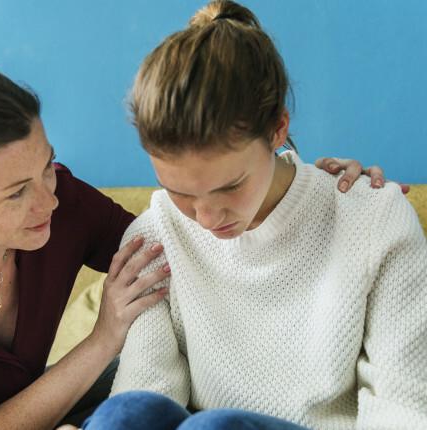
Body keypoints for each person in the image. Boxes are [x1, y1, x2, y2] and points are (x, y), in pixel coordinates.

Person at [0, 58, 394, 430]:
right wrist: (103, 338)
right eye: (17, 192)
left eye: (48, 166)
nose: (48, 199)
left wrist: (305, 191)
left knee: (139, 408)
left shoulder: (63, 201)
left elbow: (187, 242)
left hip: (20, 399)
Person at [79, 1, 427, 429]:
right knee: (125, 414)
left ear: (277, 129)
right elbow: (145, 391)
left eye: (229, 186)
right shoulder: (156, 233)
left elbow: (403, 409)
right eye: (180, 192)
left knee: (213, 427)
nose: (205, 218)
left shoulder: (374, 219)